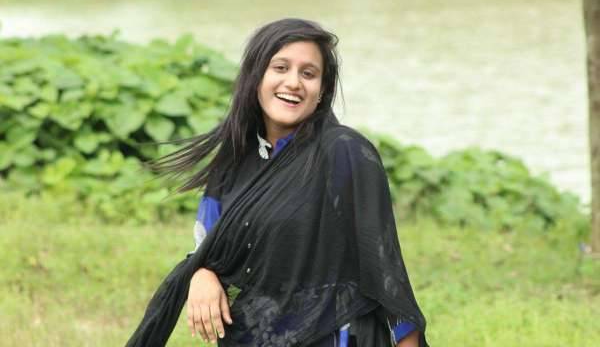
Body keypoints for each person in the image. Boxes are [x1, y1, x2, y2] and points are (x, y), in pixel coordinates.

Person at [126, 18, 428, 347]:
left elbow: (386, 273)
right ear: (255, 77)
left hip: (335, 335)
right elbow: (207, 248)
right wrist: (200, 273)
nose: (293, 82)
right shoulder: (232, 164)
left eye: (308, 73)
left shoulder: (344, 152)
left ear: (322, 91)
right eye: (280, 67)